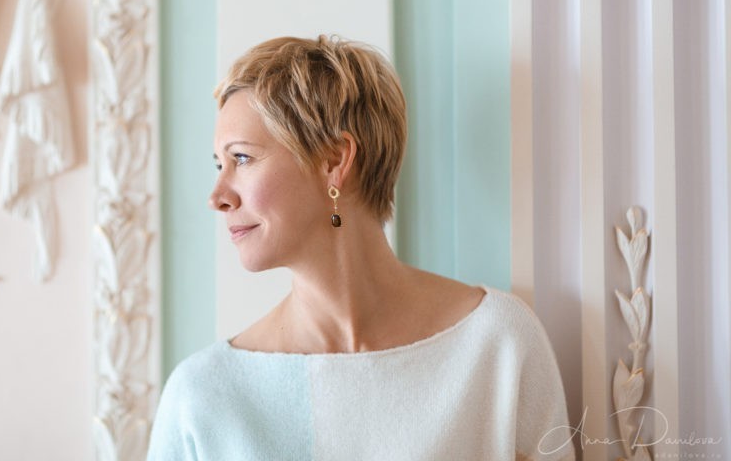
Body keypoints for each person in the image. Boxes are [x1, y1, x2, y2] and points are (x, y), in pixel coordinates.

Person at [147, 35, 575, 460]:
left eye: (241, 158)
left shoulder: (498, 343)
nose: (217, 196)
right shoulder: (202, 397)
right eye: (219, 164)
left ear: (334, 161)